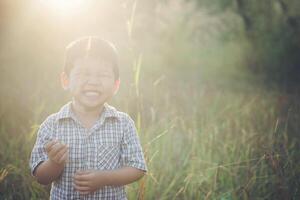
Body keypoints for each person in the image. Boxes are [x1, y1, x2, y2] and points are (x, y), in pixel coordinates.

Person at [29, 36, 147, 199]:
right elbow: (40, 177)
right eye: (84, 73)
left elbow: (137, 168)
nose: (93, 81)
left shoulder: (123, 123)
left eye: (103, 75)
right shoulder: (52, 124)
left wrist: (104, 178)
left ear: (115, 85)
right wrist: (55, 163)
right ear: (66, 80)